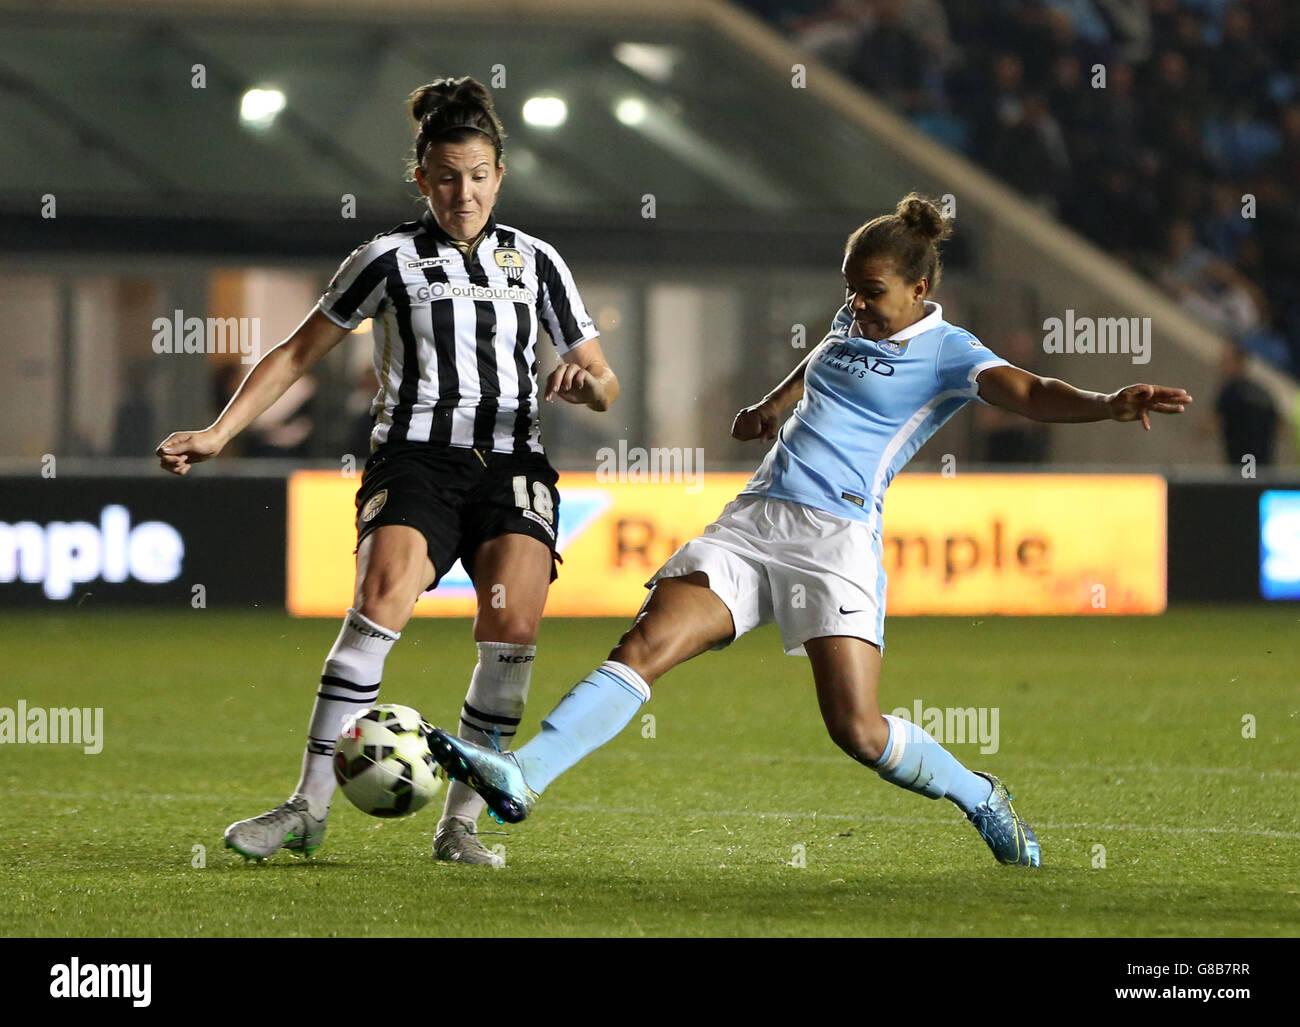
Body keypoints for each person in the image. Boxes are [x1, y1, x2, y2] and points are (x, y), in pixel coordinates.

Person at [428, 194, 1192, 869]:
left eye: (873, 293)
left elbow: (1030, 393)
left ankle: (979, 792)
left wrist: (1107, 402)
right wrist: (769, 406)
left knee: (857, 730)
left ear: (921, 289)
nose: (857, 305)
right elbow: (824, 355)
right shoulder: (849, 316)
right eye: (850, 290)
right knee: (644, 644)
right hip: (755, 522)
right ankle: (523, 774)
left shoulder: (947, 351)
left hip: (837, 541)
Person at [156, 77, 618, 866]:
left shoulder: (538, 263)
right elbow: (299, 350)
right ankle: (307, 806)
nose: (463, 192)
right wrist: (219, 430)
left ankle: (460, 823)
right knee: (378, 603)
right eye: (446, 177)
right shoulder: (386, 259)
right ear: (421, 179)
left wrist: (586, 385)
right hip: (414, 461)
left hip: (513, 463)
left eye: (477, 176)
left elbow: (604, 381)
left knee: (512, 630)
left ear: (499, 175)